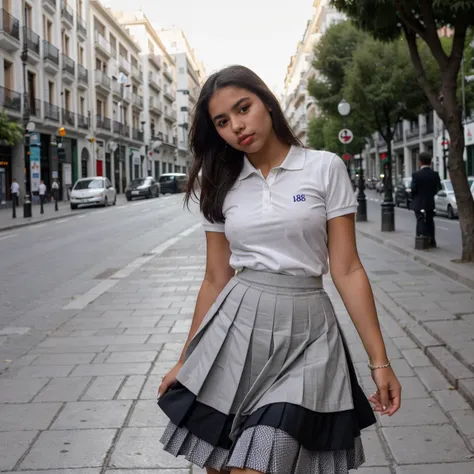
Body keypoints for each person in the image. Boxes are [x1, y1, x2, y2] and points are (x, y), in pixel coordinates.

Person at [157, 65, 401, 474]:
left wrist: (380, 361)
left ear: (267, 103)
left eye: (243, 108)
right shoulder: (221, 184)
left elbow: (347, 269)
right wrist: (187, 358)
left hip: (307, 334)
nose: (237, 125)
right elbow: (216, 278)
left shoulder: (324, 168)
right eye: (222, 121)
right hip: (235, 329)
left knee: (261, 457)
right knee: (219, 463)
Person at [411, 152, 442, 248]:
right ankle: (432, 240)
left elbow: (413, 188)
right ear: (430, 162)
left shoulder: (416, 175)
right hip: (430, 202)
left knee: (420, 220)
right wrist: (431, 194)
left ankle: (421, 240)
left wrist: (412, 194)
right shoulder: (435, 174)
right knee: (430, 220)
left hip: (419, 202)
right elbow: (439, 188)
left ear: (420, 162)